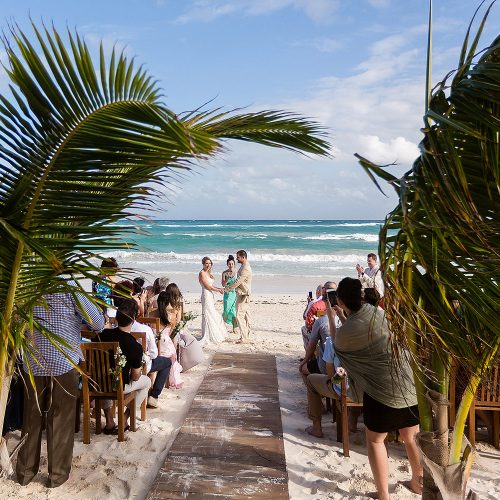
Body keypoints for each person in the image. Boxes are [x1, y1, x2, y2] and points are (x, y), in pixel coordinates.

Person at [325, 277, 422, 499]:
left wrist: (332, 315)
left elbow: (338, 342)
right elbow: (359, 324)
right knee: (411, 436)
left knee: (376, 440)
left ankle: (383, 494)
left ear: (339, 299)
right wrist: (341, 315)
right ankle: (418, 483)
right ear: (361, 295)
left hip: (381, 390)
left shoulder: (348, 331)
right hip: (406, 381)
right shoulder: (376, 311)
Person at [17, 280, 105, 488]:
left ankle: (25, 473)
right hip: (63, 362)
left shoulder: (29, 285)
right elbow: (98, 324)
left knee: (31, 419)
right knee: (60, 421)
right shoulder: (69, 288)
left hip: (33, 362)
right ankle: (57, 475)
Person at [95, 299, 152, 432]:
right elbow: (136, 376)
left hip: (97, 382)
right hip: (120, 385)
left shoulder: (101, 336)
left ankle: (109, 420)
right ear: (133, 320)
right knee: (147, 382)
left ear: (117, 318)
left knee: (105, 376)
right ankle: (124, 418)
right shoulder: (134, 345)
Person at [299, 281, 336, 376]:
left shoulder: (315, 305)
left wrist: (304, 362)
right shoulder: (345, 313)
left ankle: (310, 359)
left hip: (326, 369)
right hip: (342, 369)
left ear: (322, 291)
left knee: (306, 330)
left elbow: (307, 319)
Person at [225, 250, 253, 343]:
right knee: (245, 315)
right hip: (242, 293)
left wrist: (228, 288)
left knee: (239, 315)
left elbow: (238, 281)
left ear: (243, 257)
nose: (236, 259)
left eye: (238, 257)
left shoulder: (246, 268)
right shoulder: (243, 266)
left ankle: (244, 338)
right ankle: (246, 335)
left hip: (244, 294)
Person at [198, 257, 226, 345]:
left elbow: (211, 286)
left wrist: (218, 289)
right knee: (208, 313)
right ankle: (208, 335)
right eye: (206, 263)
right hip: (206, 294)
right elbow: (208, 286)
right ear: (203, 264)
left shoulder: (209, 273)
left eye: (210, 263)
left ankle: (212, 334)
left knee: (211, 312)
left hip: (210, 295)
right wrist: (219, 290)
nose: (208, 265)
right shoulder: (202, 273)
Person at [301, 283, 327, 349]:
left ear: (318, 291)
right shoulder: (332, 302)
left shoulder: (314, 303)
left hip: (316, 331)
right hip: (329, 329)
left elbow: (305, 317)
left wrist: (309, 304)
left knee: (303, 329)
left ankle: (309, 353)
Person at [221, 254, 238, 333]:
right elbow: (223, 285)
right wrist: (227, 279)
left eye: (232, 264)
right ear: (227, 264)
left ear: (234, 264)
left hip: (235, 294)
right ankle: (222, 327)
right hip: (227, 294)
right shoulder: (224, 273)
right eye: (229, 264)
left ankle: (234, 328)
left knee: (234, 311)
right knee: (226, 310)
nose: (231, 265)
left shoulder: (237, 272)